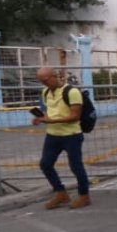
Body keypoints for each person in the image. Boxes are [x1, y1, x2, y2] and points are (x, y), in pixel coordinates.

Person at [34, 67, 91, 209]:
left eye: (45, 80)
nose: (44, 84)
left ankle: (84, 196)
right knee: (45, 164)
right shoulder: (46, 92)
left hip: (71, 135)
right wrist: (41, 118)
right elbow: (49, 112)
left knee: (76, 166)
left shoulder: (72, 92)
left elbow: (75, 116)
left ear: (55, 76)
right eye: (41, 81)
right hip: (53, 135)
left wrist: (50, 121)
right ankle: (61, 193)